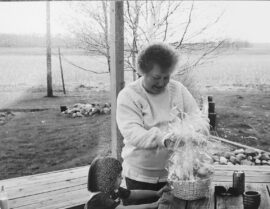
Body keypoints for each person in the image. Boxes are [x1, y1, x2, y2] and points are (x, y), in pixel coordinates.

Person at [116, 43, 208, 205]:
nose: (162, 83)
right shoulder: (129, 95)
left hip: (175, 175)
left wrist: (196, 132)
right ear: (142, 71)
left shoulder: (178, 89)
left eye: (167, 77)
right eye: (156, 77)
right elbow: (132, 132)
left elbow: (196, 116)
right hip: (140, 177)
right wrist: (164, 139)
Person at [85, 157, 170, 209]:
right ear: (108, 178)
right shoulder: (99, 199)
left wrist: (156, 193)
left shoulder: (113, 190)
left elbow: (133, 193)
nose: (122, 177)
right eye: (118, 176)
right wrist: (153, 205)